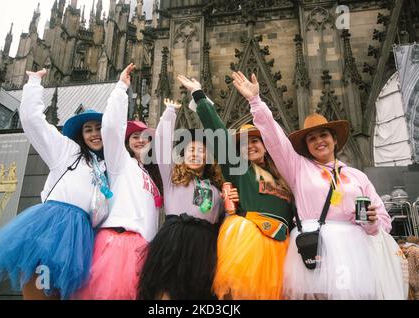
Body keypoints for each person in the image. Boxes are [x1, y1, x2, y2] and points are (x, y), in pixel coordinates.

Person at [231, 71, 407, 299]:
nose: (318, 141)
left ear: (334, 139)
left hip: (354, 255)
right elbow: (274, 139)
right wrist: (256, 102)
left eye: (323, 135)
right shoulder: (298, 168)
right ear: (306, 146)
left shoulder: (356, 176)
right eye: (311, 138)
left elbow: (382, 222)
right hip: (314, 251)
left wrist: (371, 223)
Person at [0, 69, 108, 300]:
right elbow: (33, 121)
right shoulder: (66, 150)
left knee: (60, 294)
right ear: (81, 135)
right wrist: (34, 84)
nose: (94, 134)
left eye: (99, 128)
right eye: (88, 129)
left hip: (81, 235)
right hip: (53, 227)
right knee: (39, 290)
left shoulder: (103, 166)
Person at [177, 75, 294, 300]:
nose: (250, 146)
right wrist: (199, 96)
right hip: (249, 248)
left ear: (266, 145)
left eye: (255, 140)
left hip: (282, 252)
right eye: (243, 143)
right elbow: (220, 136)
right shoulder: (241, 171)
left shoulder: (285, 178)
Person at [74, 64, 162, 300]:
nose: (140, 140)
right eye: (135, 136)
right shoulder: (119, 162)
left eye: (145, 137)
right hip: (118, 244)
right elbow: (112, 128)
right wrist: (121, 88)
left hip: (142, 249)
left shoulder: (150, 176)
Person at [138, 99, 226, 300]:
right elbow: (160, 144)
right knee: (166, 293)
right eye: (191, 150)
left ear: (208, 157)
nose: (195, 154)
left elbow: (225, 218)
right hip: (174, 241)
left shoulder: (216, 190)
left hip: (204, 246)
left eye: (201, 150)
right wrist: (169, 113)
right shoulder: (172, 179)